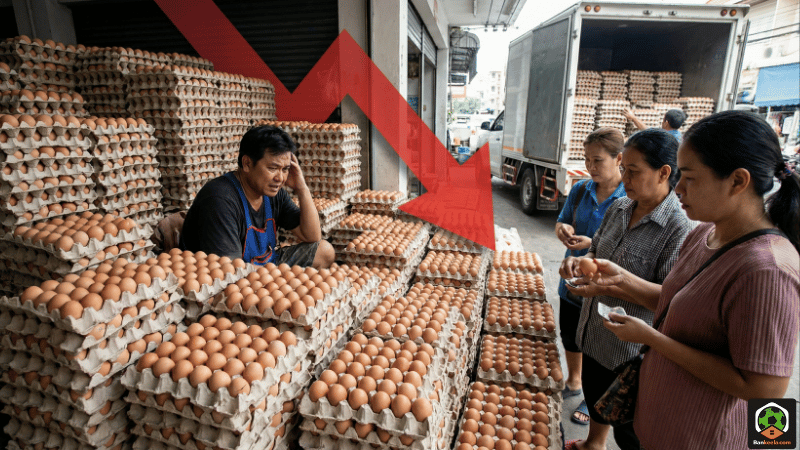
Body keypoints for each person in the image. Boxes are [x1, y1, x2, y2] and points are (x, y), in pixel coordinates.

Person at [591, 111, 799, 450]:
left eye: (689, 177)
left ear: (737, 181)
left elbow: (766, 391)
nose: (678, 188)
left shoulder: (768, 270)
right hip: (663, 423)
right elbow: (681, 306)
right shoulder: (704, 233)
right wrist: (622, 278)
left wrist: (652, 338)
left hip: (705, 437)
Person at [559, 129, 694, 450]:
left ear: (663, 173)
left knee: (630, 429)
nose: (625, 178)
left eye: (633, 171)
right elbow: (596, 251)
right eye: (623, 169)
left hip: (629, 348)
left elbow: (669, 300)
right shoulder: (620, 207)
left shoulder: (679, 228)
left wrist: (614, 284)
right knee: (595, 393)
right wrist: (580, 263)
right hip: (594, 330)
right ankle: (594, 443)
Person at [180, 125, 335, 268]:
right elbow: (229, 271)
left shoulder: (273, 192)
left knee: (324, 251)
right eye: (273, 168)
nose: (280, 178)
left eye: (285, 169)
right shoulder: (220, 199)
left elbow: (312, 236)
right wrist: (281, 281)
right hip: (232, 274)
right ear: (247, 163)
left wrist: (302, 188)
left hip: (263, 267)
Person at [554, 128, 626, 426]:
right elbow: (562, 221)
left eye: (598, 160)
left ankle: (592, 395)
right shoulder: (582, 189)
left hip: (603, 286)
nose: (590, 167)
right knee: (570, 333)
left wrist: (592, 245)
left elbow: (625, 245)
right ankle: (574, 380)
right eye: (586, 159)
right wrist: (564, 231)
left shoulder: (628, 197)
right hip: (572, 277)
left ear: (618, 159)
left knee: (597, 344)